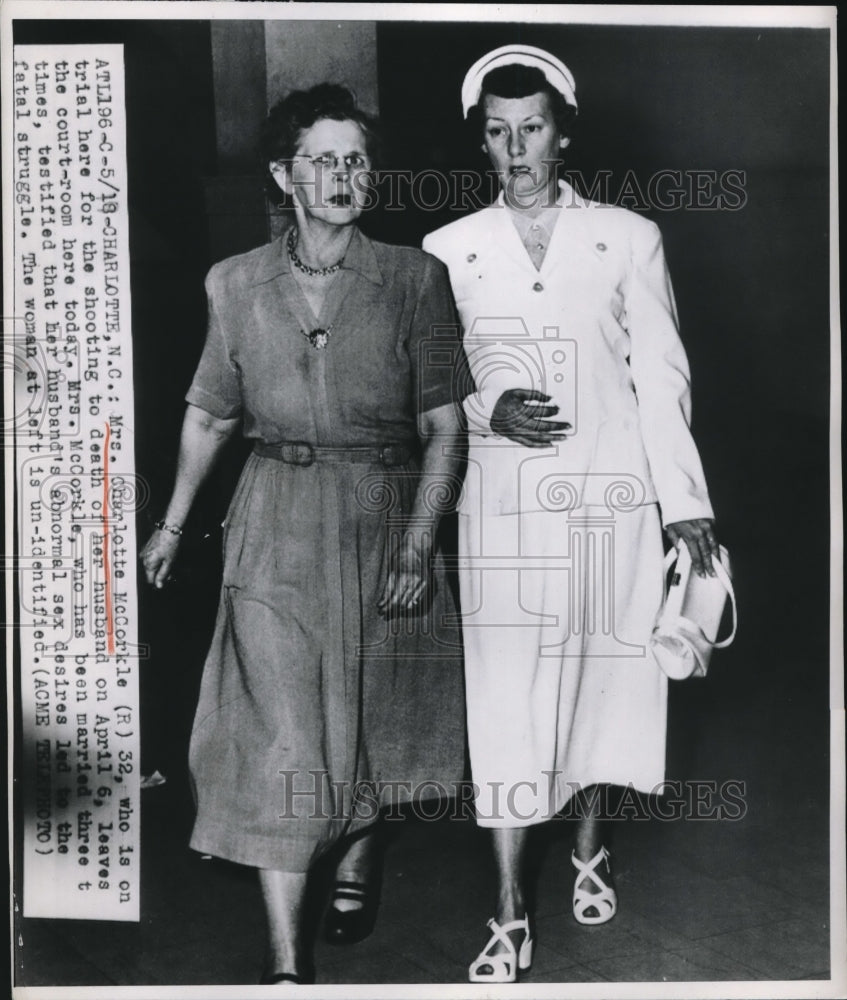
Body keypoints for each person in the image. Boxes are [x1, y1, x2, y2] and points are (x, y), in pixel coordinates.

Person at [140, 83, 466, 985]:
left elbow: (445, 427)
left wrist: (416, 541)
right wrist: (171, 525)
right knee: (282, 732)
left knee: (372, 723)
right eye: (322, 159)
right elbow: (209, 414)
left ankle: (362, 851)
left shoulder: (415, 280)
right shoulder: (233, 283)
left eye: (356, 158)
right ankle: (287, 967)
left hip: (382, 517)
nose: (342, 175)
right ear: (285, 175)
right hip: (272, 525)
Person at [423, 45, 720, 982]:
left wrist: (685, 506)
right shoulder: (449, 249)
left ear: (563, 130)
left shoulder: (628, 237)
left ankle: (589, 842)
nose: (518, 150)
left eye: (534, 128)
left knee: (601, 686)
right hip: (503, 508)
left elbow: (661, 377)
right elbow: (430, 384)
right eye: (499, 134)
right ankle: (508, 909)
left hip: (615, 500)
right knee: (506, 703)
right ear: (482, 142)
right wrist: (485, 409)